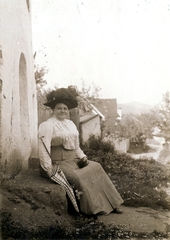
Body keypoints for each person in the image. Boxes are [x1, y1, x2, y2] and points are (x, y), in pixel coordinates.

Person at [38, 88, 123, 216]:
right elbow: (43, 148)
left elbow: (76, 146)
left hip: (73, 160)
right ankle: (92, 210)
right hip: (58, 163)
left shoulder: (71, 124)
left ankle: (111, 204)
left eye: (65, 108)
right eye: (59, 108)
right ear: (53, 110)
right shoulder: (47, 125)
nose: (62, 111)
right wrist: (48, 168)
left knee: (96, 167)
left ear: (68, 111)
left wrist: (82, 157)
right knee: (78, 177)